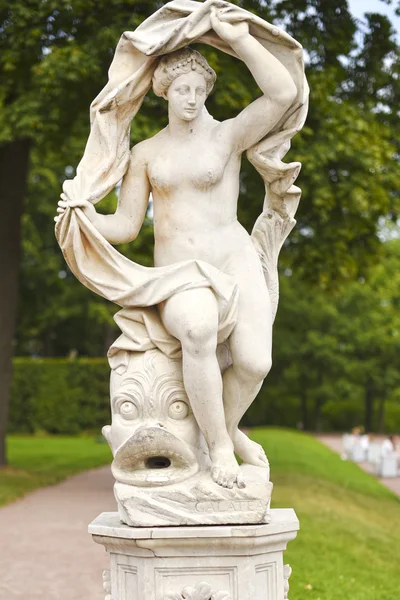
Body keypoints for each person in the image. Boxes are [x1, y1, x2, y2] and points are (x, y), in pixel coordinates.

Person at [56, 8, 297, 488]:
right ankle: (223, 449)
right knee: (199, 328)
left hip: (232, 258)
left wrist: (240, 39)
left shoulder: (228, 136)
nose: (190, 99)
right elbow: (126, 225)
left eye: (199, 90)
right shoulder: (145, 153)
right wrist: (82, 216)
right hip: (181, 272)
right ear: (164, 92)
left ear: (208, 91)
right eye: (181, 90)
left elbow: (283, 92)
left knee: (255, 363)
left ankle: (222, 429)